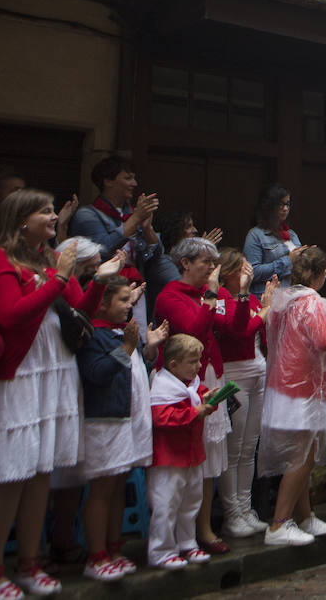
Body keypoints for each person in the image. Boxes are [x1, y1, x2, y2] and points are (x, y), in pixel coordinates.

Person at [0, 190, 84, 597]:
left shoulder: (48, 258)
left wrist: (93, 278)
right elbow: (8, 314)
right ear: (20, 219)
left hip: (54, 370)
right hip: (18, 374)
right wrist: (59, 277)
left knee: (41, 471)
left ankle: (29, 563)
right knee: (11, 475)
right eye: (45, 210)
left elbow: (81, 306)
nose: (54, 215)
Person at [259, 246, 326, 545]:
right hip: (306, 389)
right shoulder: (312, 302)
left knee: (299, 455)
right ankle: (279, 523)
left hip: (283, 388)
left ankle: (305, 516)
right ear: (322, 275)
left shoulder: (283, 299)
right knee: (303, 457)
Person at [76, 273, 160, 582]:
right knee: (101, 489)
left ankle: (114, 548)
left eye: (131, 299)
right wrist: (126, 347)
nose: (130, 305)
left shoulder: (122, 332)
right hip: (105, 421)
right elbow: (97, 373)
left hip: (127, 420)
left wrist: (144, 347)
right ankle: (95, 555)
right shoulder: (94, 336)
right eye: (123, 300)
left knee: (117, 485)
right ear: (101, 303)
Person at [152, 235, 232, 553]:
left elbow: (226, 326)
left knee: (209, 454)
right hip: (181, 380)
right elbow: (192, 329)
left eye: (214, 264)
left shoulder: (206, 294)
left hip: (208, 373)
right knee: (189, 455)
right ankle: (175, 539)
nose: (212, 270)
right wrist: (211, 296)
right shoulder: (170, 296)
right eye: (206, 263)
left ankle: (202, 528)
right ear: (185, 264)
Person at [214, 248, 272, 538]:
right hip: (234, 373)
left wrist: (262, 310)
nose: (247, 274)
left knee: (250, 447)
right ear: (227, 274)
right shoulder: (224, 297)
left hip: (257, 371)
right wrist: (261, 312)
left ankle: (246, 508)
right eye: (242, 269)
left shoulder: (250, 299)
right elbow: (239, 331)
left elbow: (257, 329)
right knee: (233, 448)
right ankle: (232, 513)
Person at [147, 334, 217, 570]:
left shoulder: (192, 384)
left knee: (191, 501)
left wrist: (209, 400)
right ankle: (161, 549)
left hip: (192, 455)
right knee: (166, 503)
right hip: (169, 457)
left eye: (198, 361)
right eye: (193, 362)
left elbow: (199, 400)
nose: (198, 367)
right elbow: (161, 417)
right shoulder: (163, 386)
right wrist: (194, 412)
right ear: (174, 364)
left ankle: (186, 541)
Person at [70, 154, 162, 282]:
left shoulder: (132, 213)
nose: (134, 184)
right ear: (108, 181)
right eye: (128, 178)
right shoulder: (86, 214)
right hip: (103, 288)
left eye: (134, 178)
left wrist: (147, 228)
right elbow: (103, 249)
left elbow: (156, 257)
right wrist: (136, 218)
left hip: (136, 285)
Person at [244, 183, 303, 296]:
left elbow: (299, 268)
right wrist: (287, 261)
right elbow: (252, 272)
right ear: (269, 206)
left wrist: (307, 256)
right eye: (281, 205)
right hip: (266, 298)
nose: (285, 209)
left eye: (287, 204)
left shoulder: (291, 235)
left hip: (289, 296)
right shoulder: (255, 235)